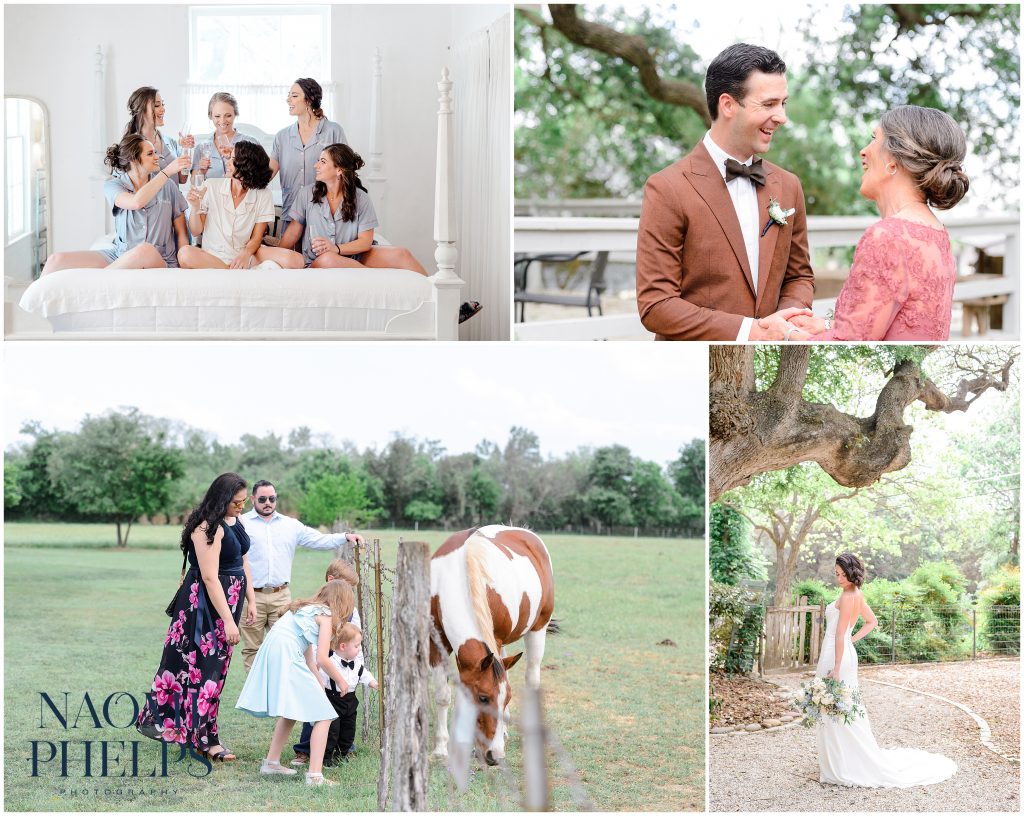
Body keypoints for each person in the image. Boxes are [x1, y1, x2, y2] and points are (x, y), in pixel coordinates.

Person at [635, 43, 815, 340]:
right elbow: (656, 305)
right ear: (728, 105)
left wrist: (785, 325)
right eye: (769, 104)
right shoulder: (667, 187)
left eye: (784, 103)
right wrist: (750, 331)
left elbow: (799, 277)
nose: (782, 117)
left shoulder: (788, 185)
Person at [786, 106, 970, 341]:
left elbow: (850, 343)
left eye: (874, 139)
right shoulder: (937, 233)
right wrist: (824, 325)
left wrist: (786, 334)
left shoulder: (887, 237)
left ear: (893, 161)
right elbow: (893, 324)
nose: (863, 151)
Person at [136, 473, 257, 763]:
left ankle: (199, 733)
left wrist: (251, 599)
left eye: (243, 502)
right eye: (236, 502)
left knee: (214, 672)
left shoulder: (232, 521)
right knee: (202, 672)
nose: (241, 507)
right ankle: (206, 740)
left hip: (230, 601)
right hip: (204, 607)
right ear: (221, 498)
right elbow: (209, 578)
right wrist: (228, 621)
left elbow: (242, 561)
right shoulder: (206, 528)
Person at [815, 553, 958, 787]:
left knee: (838, 706)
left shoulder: (850, 596)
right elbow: (871, 622)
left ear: (852, 573)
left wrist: (839, 664)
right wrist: (853, 641)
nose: (839, 578)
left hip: (837, 655)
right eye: (836, 574)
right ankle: (841, 758)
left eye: (842, 574)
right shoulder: (854, 594)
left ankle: (844, 763)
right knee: (840, 706)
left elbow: (841, 633)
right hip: (841, 651)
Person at [235, 580, 356, 786]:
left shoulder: (305, 609)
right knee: (325, 715)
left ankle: (271, 763)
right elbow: (323, 659)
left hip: (275, 649)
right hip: (286, 652)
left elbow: (310, 658)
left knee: (291, 711)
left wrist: (318, 682)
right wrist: (340, 680)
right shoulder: (326, 616)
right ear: (342, 602)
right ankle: (315, 776)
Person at [239, 480, 365, 671]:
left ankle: (279, 694)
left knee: (286, 646)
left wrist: (344, 537)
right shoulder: (242, 523)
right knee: (252, 649)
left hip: (281, 595)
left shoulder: (290, 525)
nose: (268, 503)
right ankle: (256, 698)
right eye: (262, 499)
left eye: (272, 498)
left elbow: (318, 540)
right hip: (250, 596)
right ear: (252, 499)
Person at [40, 135, 190, 275]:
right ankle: (31, 303)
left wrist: (182, 266)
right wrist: (168, 171)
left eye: (155, 152)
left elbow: (181, 232)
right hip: (121, 256)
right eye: (150, 154)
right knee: (55, 260)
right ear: (134, 160)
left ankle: (98, 282)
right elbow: (136, 202)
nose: (157, 157)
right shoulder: (114, 186)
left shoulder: (168, 186)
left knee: (144, 251)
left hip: (159, 258)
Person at [279, 144, 426, 273]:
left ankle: (436, 293)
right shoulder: (306, 194)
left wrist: (336, 248)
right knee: (329, 259)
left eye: (322, 162)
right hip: (321, 260)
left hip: (355, 256)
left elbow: (365, 242)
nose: (316, 165)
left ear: (339, 170)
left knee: (402, 254)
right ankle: (379, 279)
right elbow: (292, 233)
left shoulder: (361, 198)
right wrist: (275, 257)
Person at [178, 140, 303, 270]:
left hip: (246, 254)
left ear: (246, 165)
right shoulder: (210, 185)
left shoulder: (263, 194)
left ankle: (232, 268)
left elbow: (257, 237)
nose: (227, 163)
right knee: (184, 254)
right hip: (213, 255)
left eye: (232, 159)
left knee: (296, 260)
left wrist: (245, 254)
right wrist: (195, 207)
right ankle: (229, 270)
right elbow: (196, 231)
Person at [291, 558, 363, 765]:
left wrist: (355, 667)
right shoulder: (320, 608)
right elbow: (313, 646)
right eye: (347, 587)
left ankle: (341, 746)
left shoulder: (351, 613)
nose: (350, 594)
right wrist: (314, 669)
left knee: (342, 710)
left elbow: (355, 637)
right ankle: (304, 749)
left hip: (341, 668)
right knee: (315, 707)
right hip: (320, 666)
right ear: (332, 581)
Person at [270, 78, 348, 233]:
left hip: (324, 214)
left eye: (294, 96)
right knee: (289, 256)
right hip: (291, 213)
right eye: (289, 95)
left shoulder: (333, 131)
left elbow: (345, 172)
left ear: (309, 100)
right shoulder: (282, 137)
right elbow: (267, 173)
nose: (288, 100)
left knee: (320, 256)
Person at [319, 623, 378, 767]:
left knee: (348, 730)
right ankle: (326, 757)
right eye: (357, 646)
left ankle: (342, 754)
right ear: (343, 647)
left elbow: (364, 674)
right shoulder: (329, 663)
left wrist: (372, 682)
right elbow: (320, 680)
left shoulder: (356, 663)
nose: (360, 649)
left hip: (350, 701)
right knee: (332, 731)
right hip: (332, 700)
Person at [122, 86, 192, 183]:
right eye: (157, 105)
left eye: (163, 104)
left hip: (175, 198)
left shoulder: (171, 142)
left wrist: (185, 149)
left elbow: (182, 180)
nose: (163, 109)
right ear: (141, 110)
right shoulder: (133, 146)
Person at [192, 92, 259, 181]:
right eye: (217, 116)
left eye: (228, 115)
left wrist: (233, 159)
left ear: (235, 114)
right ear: (210, 116)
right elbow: (194, 184)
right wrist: (201, 171)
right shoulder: (201, 148)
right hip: (211, 194)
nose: (222, 121)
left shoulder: (250, 143)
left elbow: (258, 178)